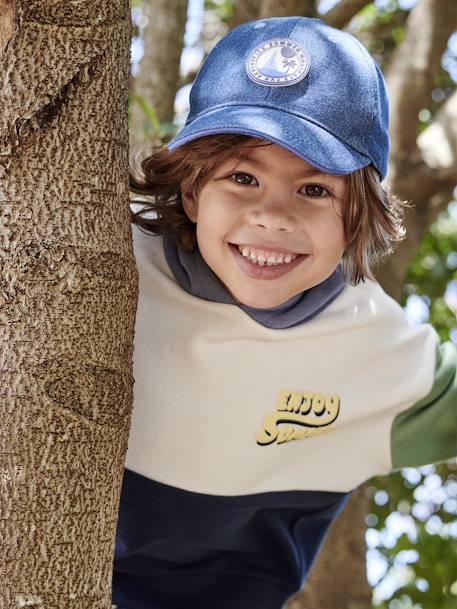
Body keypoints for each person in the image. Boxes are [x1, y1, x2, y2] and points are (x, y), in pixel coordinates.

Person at [112, 16, 457, 609]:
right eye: (243, 177)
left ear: (358, 216)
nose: (272, 216)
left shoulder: (372, 345)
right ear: (192, 190)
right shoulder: (109, 263)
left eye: (315, 189)